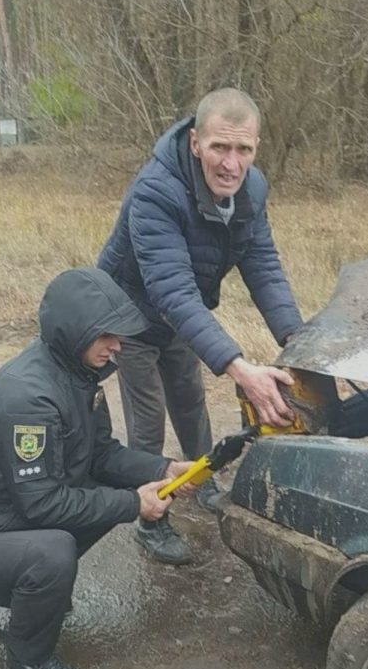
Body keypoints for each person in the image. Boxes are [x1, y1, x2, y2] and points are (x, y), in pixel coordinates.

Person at [0, 267, 195, 669]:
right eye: (106, 336)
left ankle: (34, 599)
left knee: (101, 493)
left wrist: (163, 466)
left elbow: (100, 455)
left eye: (118, 336)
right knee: (53, 551)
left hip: (1, 515)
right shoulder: (29, 397)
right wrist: (133, 503)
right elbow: (43, 503)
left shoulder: (79, 374)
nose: (117, 346)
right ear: (74, 330)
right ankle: (27, 658)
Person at [98, 87, 304, 565]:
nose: (231, 164)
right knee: (147, 422)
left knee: (191, 402)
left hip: (178, 316)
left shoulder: (252, 189)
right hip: (129, 317)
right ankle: (152, 519)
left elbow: (263, 265)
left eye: (244, 150)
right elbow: (171, 289)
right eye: (219, 147)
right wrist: (239, 368)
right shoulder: (156, 190)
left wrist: (296, 339)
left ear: (255, 148)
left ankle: (201, 477)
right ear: (195, 143)